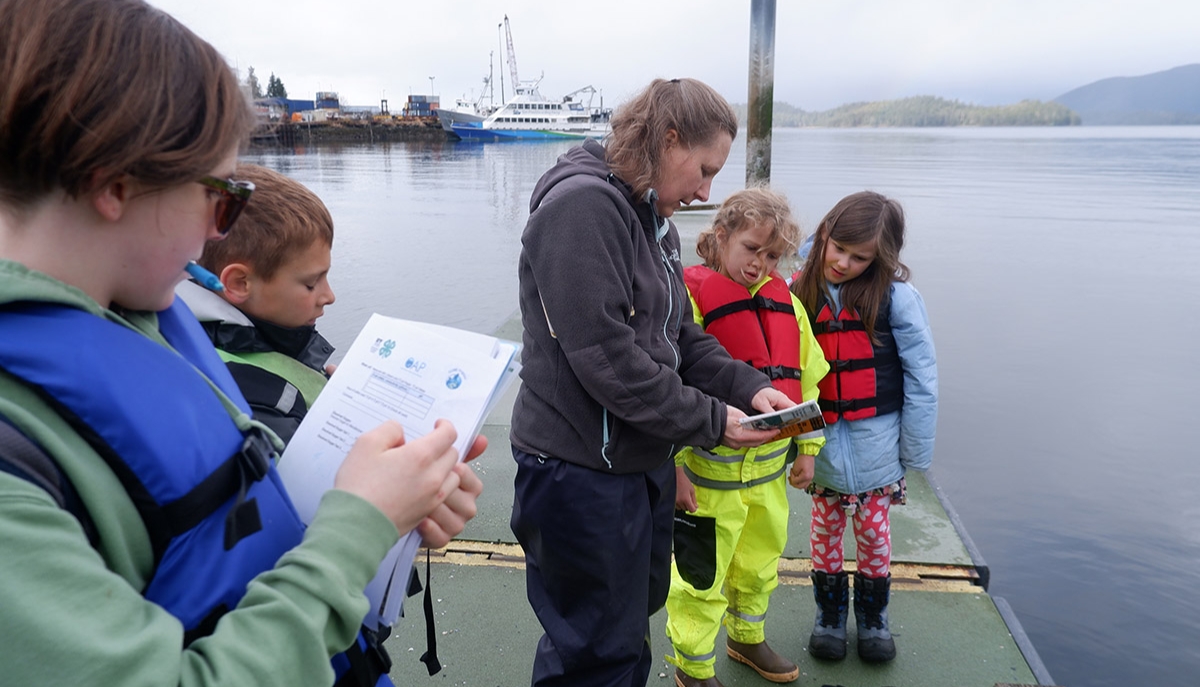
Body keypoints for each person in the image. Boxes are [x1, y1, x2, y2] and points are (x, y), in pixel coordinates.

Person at [0, 1, 483, 685]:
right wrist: (356, 529)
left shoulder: (139, 319)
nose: (216, 232)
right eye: (221, 197)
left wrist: (392, 512)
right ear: (116, 183)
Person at [509, 77, 795, 687]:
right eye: (703, 169)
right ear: (668, 140)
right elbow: (608, 359)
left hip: (637, 464)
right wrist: (714, 423)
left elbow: (679, 336)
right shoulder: (582, 209)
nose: (705, 191)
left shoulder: (651, 216)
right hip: (578, 469)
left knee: (627, 628)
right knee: (591, 651)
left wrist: (747, 387)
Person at [665, 187, 829, 687]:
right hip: (708, 484)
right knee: (699, 580)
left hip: (769, 478)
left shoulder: (789, 306)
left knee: (759, 567)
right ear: (720, 238)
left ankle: (746, 638)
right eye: (751, 249)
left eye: (773, 255)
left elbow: (810, 377)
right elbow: (665, 387)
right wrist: (671, 468)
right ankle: (694, 668)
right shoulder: (686, 302)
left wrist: (807, 449)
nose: (760, 264)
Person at [788, 191, 937, 663]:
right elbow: (785, 374)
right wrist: (795, 450)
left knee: (874, 537)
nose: (844, 262)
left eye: (860, 257)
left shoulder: (898, 299)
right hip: (824, 451)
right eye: (838, 249)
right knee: (824, 535)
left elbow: (922, 377)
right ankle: (829, 616)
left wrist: (913, 454)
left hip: (878, 451)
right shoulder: (796, 292)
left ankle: (874, 619)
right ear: (825, 234)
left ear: (880, 258)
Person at [177, 163, 338, 445]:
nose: (329, 296)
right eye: (311, 284)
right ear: (239, 283)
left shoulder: (177, 329)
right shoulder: (253, 403)